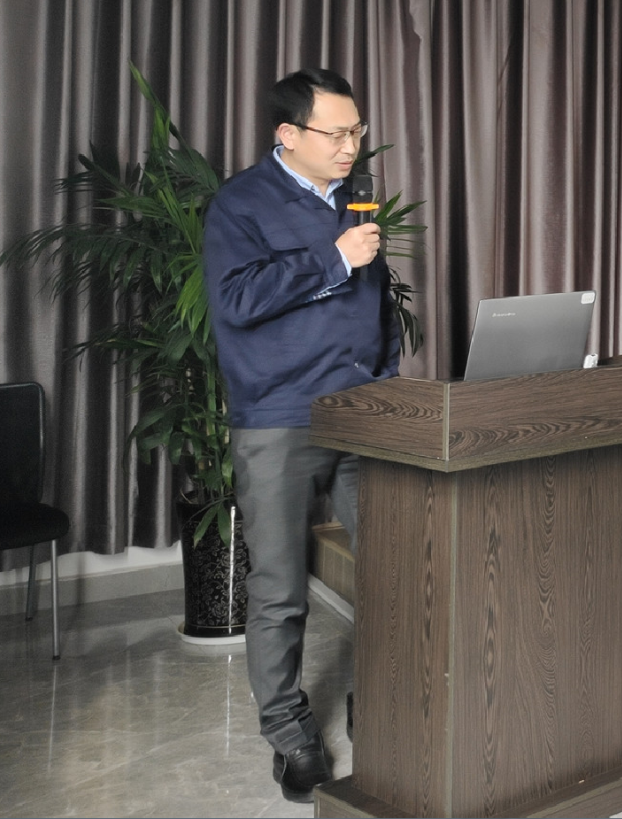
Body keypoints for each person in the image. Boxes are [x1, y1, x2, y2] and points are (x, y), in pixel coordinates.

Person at [202, 68, 401, 803]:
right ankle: (290, 734)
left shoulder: (354, 195)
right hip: (279, 417)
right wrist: (335, 258)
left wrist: (385, 378)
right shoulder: (241, 203)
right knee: (281, 590)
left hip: (363, 414)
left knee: (394, 568)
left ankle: (378, 702)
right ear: (287, 134)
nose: (352, 146)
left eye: (357, 131)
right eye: (337, 133)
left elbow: (375, 303)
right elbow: (236, 299)